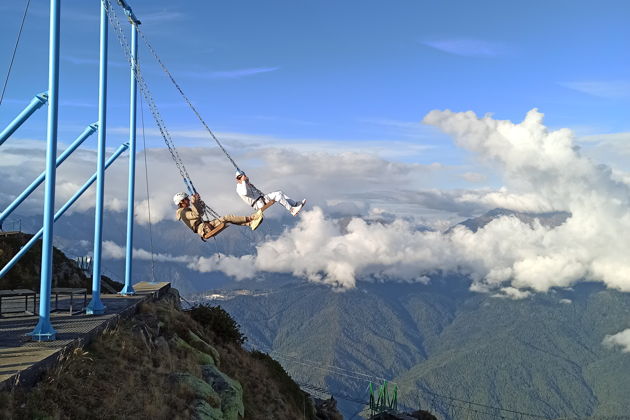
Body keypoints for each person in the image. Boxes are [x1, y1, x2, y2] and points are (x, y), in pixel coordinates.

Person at [173, 192, 263, 239]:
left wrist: (199, 203)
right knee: (227, 217)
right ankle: (252, 218)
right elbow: (197, 214)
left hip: (204, 228)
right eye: (186, 199)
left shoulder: (186, 210)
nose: (188, 200)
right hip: (204, 229)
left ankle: (250, 224)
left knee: (228, 219)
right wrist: (195, 202)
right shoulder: (183, 213)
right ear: (181, 202)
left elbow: (200, 212)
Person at [235, 170, 306, 216]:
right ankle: (292, 210)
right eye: (240, 178)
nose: (242, 179)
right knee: (278, 196)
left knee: (279, 192)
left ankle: (295, 204)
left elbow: (253, 192)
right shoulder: (239, 188)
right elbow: (245, 193)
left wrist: (248, 183)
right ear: (237, 179)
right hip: (258, 204)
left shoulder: (245, 184)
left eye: (243, 177)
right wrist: (244, 181)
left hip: (262, 199)